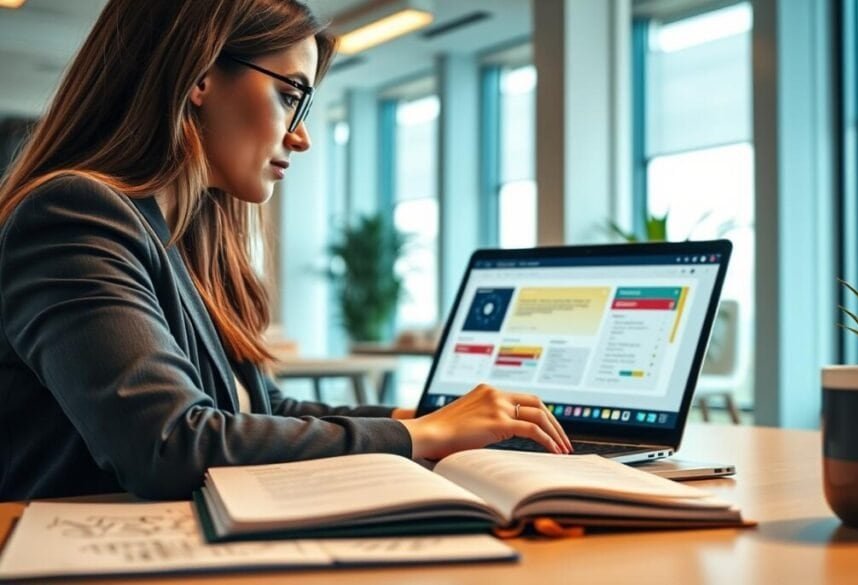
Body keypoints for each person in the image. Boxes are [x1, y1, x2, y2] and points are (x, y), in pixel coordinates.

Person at [0, 0, 570, 502]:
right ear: (199, 74)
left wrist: (432, 419)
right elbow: (169, 445)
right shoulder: (74, 214)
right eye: (289, 94)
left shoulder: (185, 240)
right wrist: (424, 435)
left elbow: (262, 413)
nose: (302, 136)